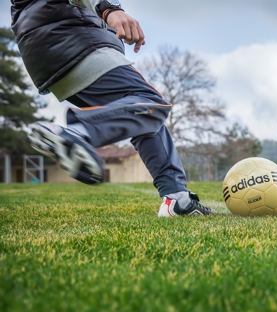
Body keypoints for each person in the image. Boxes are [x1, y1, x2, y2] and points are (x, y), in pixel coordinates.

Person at [10, 0, 214, 217]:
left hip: (44, 48)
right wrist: (108, 9)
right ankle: (78, 133)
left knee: (140, 113)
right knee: (149, 101)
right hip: (72, 39)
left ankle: (176, 197)